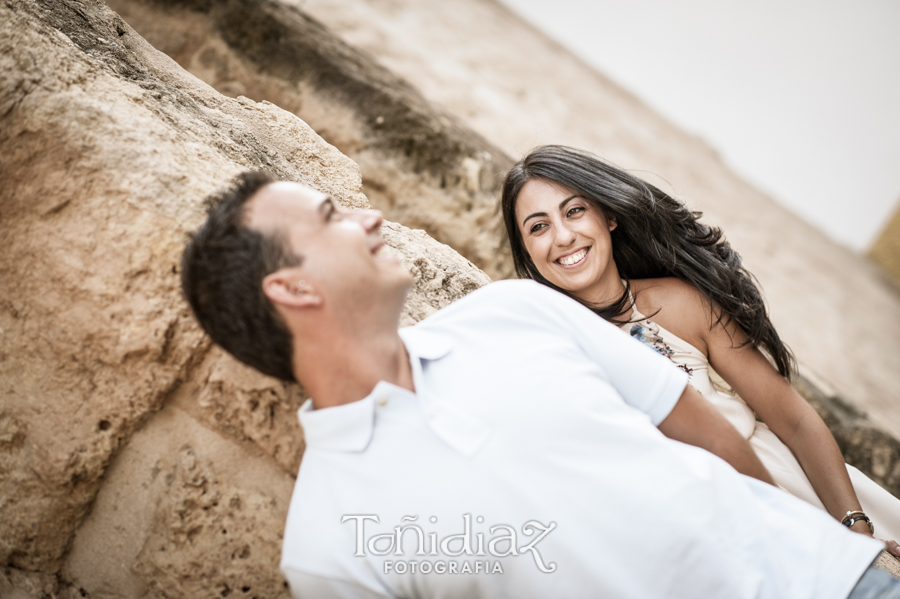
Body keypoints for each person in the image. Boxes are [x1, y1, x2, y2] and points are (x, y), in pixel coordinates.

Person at [181, 172, 894, 598]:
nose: (367, 214)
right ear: (293, 285)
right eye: (331, 217)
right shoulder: (327, 545)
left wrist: (826, 555)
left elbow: (717, 441)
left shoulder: (514, 311)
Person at [500, 144, 900, 553]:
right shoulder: (547, 336)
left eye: (574, 211)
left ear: (609, 216)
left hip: (793, 489)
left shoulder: (680, 304)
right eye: (538, 226)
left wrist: (854, 525)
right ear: (527, 251)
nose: (563, 237)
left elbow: (794, 420)